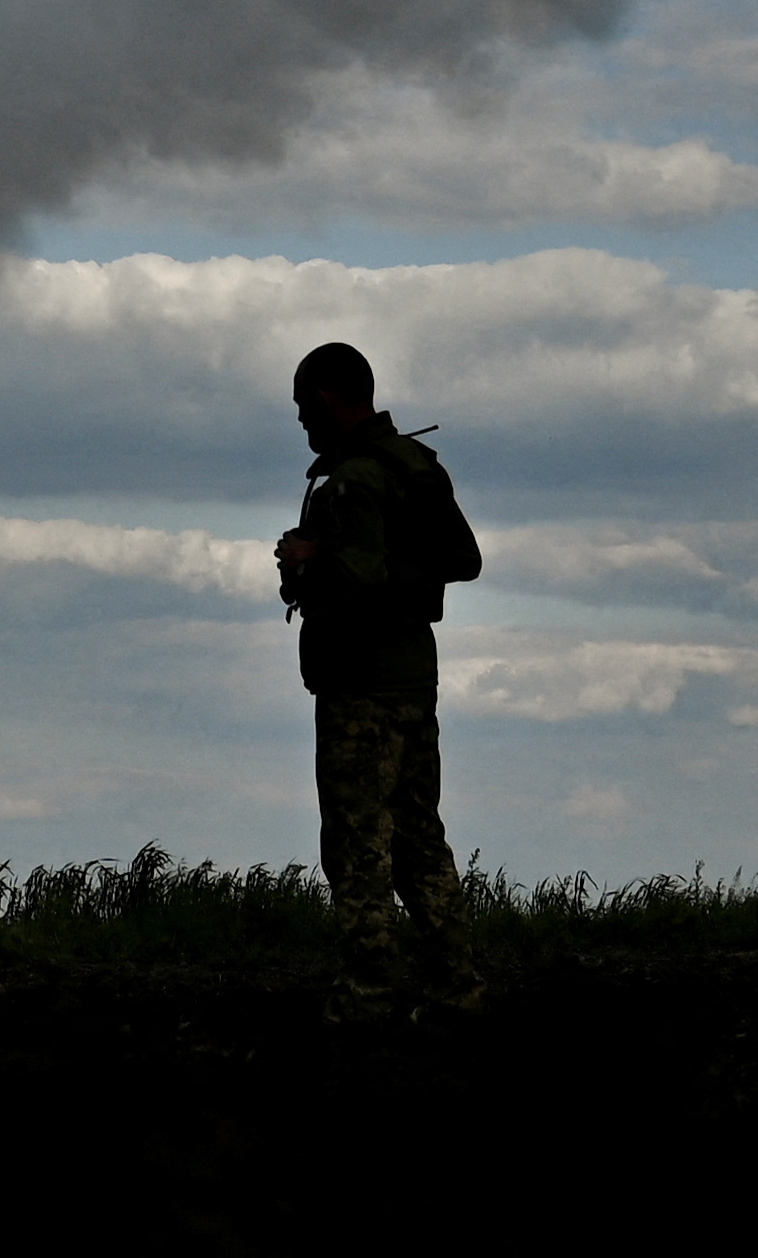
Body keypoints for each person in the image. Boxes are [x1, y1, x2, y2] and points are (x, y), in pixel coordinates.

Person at [273, 339, 483, 1017]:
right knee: (419, 833)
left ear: (329, 399)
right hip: (413, 680)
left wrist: (310, 556)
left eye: (306, 406)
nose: (303, 420)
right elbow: (463, 558)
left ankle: (369, 990)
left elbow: (357, 579)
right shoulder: (415, 465)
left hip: (358, 684)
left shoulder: (355, 479)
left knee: (357, 841)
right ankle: (457, 981)